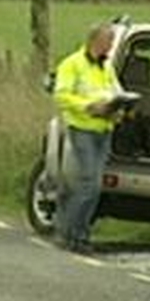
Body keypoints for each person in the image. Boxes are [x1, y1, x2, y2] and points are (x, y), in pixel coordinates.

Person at [53, 22, 122, 254]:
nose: (111, 46)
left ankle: (79, 235)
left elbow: (115, 90)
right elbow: (62, 96)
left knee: (94, 186)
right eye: (109, 41)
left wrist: (119, 106)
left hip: (104, 130)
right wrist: (88, 106)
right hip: (82, 128)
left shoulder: (106, 67)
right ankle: (69, 232)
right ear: (96, 41)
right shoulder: (72, 64)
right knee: (89, 185)